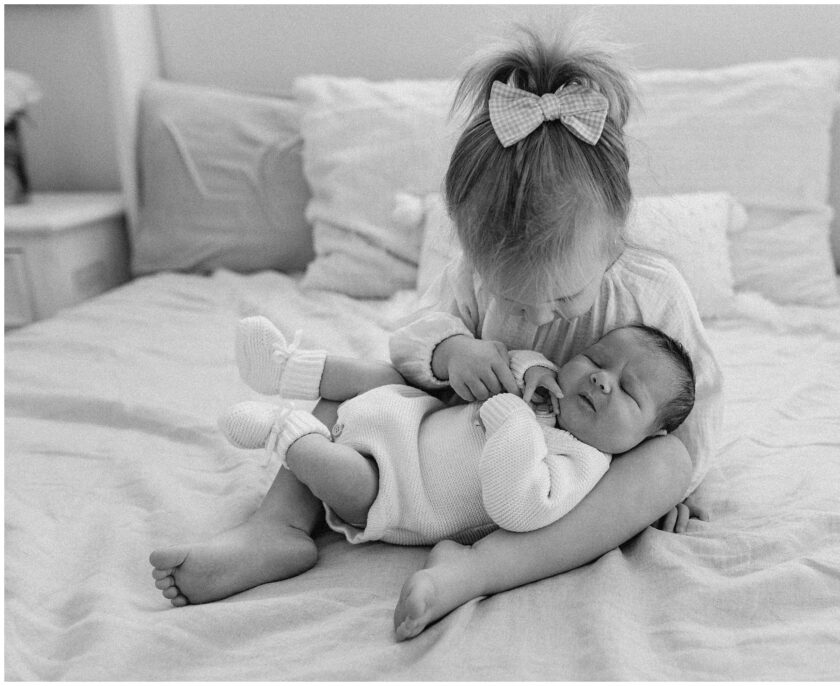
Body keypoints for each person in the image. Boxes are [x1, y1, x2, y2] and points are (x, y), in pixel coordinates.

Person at [150, 24, 724, 641]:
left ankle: (479, 570)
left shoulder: (653, 290)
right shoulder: (470, 277)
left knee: (665, 463)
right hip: (456, 438)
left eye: (562, 298)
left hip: (565, 475)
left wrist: (682, 485)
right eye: (513, 297)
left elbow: (695, 406)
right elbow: (410, 343)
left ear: (615, 237)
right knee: (356, 393)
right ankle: (278, 526)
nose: (535, 318)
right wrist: (452, 351)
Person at [216, 319, 695, 550]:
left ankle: (284, 433)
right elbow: (518, 359)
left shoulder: (582, 466)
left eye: (629, 391)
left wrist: (513, 418)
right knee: (378, 376)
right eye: (595, 358)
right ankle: (284, 369)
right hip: (410, 418)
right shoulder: (550, 385)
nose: (600, 379)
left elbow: (520, 505)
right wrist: (527, 368)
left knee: (349, 479)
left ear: (650, 437)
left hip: (400, 492)